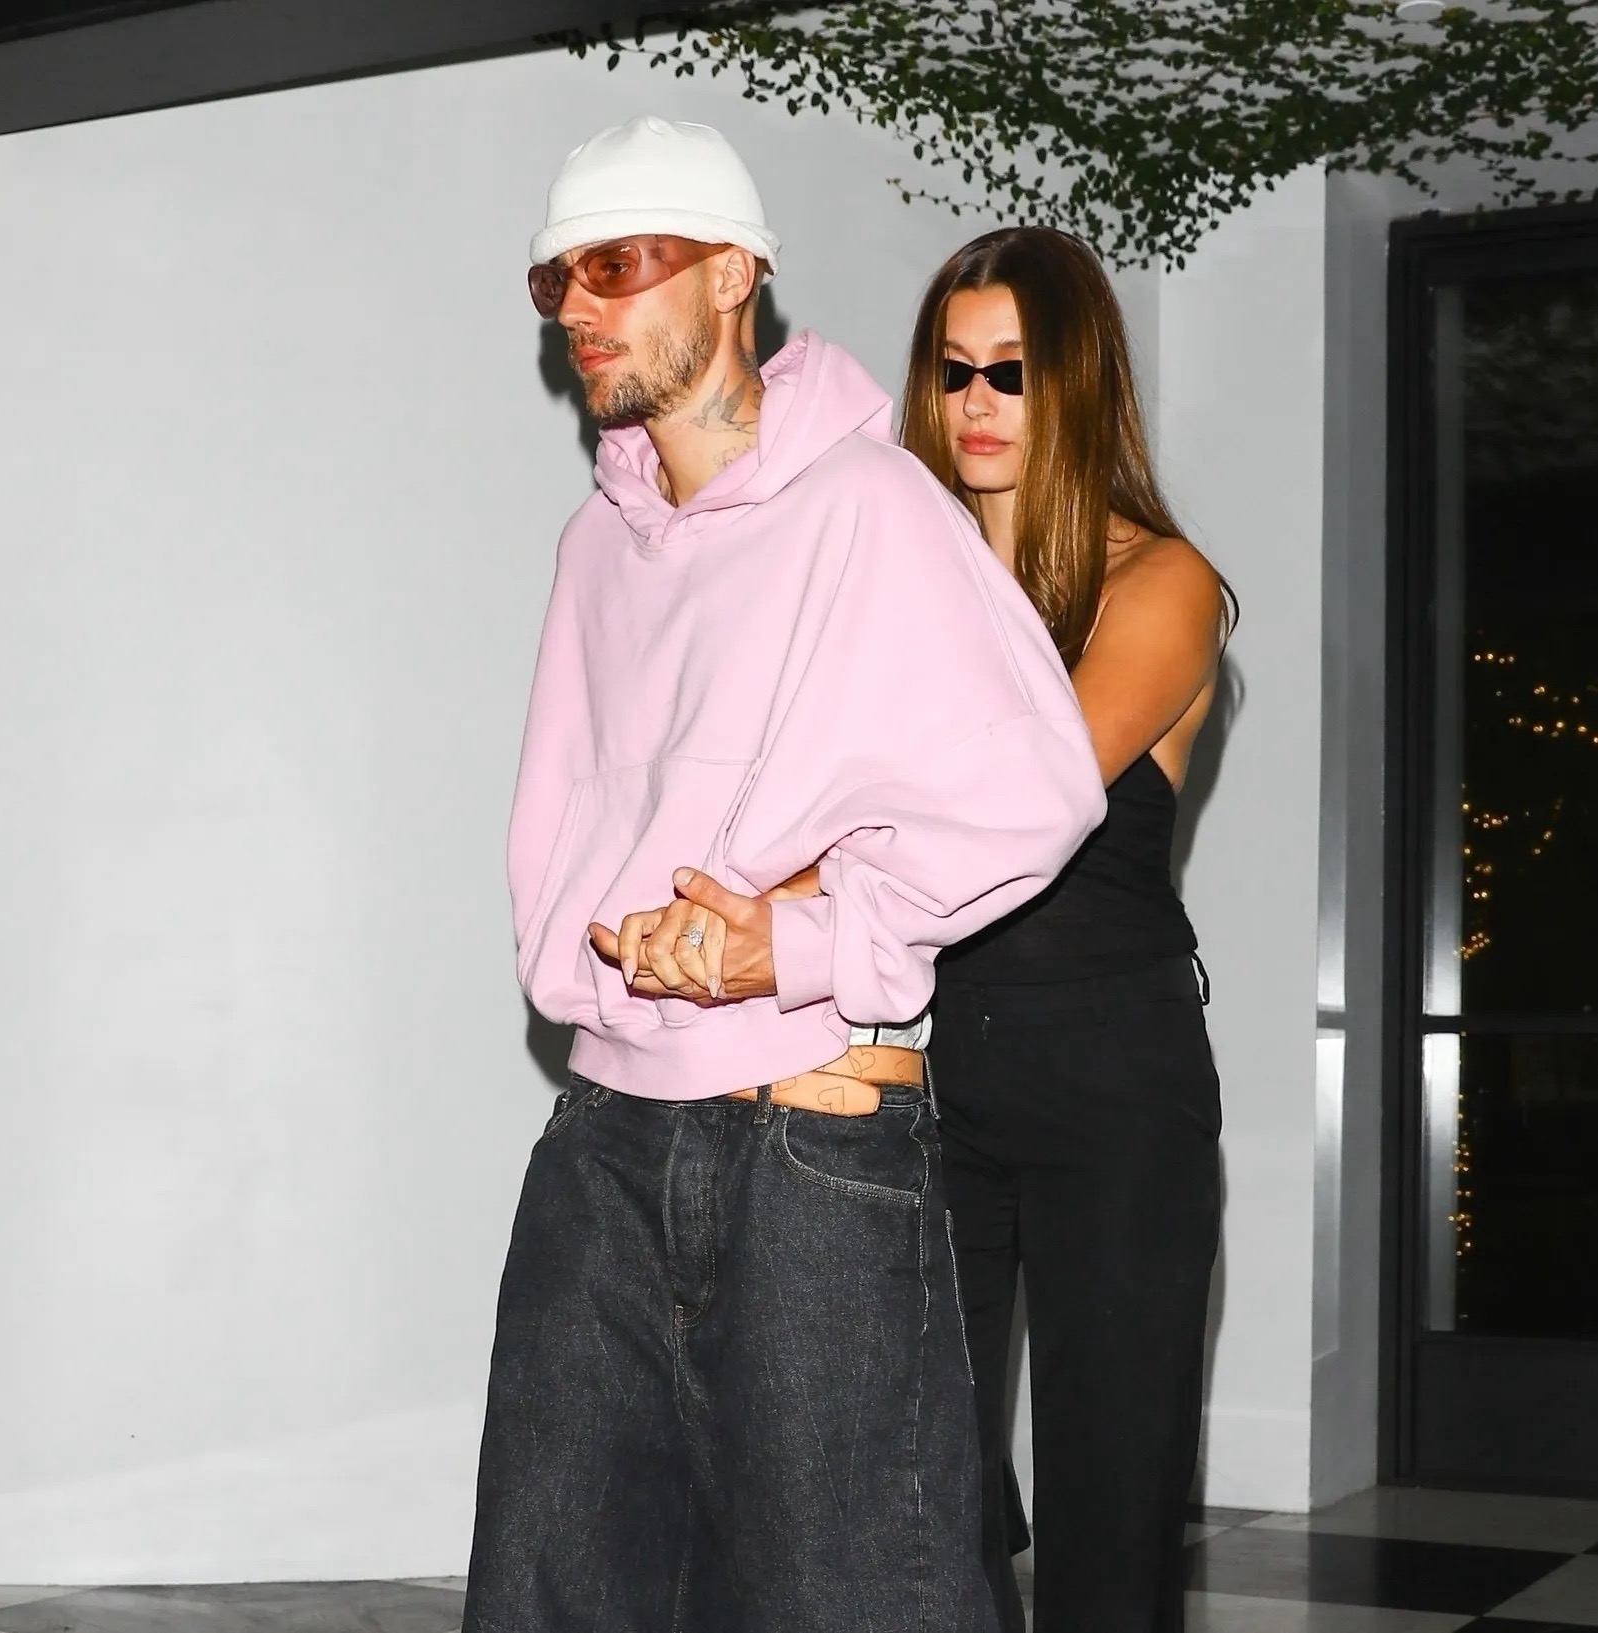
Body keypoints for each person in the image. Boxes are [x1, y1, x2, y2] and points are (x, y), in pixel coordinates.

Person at [461, 118, 1106, 1633]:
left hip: (809, 1137)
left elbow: (1036, 790)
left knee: (850, 1604)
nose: (579, 305)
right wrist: (608, 945)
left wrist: (800, 942)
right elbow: (562, 823)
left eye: (620, 264)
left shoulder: (869, 504)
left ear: (732, 273)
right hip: (605, 1134)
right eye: (557, 277)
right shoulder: (596, 549)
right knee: (554, 1597)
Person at [906, 227, 1233, 1633]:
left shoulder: (1162, 582)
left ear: (1076, 384)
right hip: (932, 1071)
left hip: (1114, 1075)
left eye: (1012, 371)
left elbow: (1019, 798)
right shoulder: (907, 586)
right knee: (920, 1496)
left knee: (1111, 1512)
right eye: (953, 370)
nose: (976, 401)